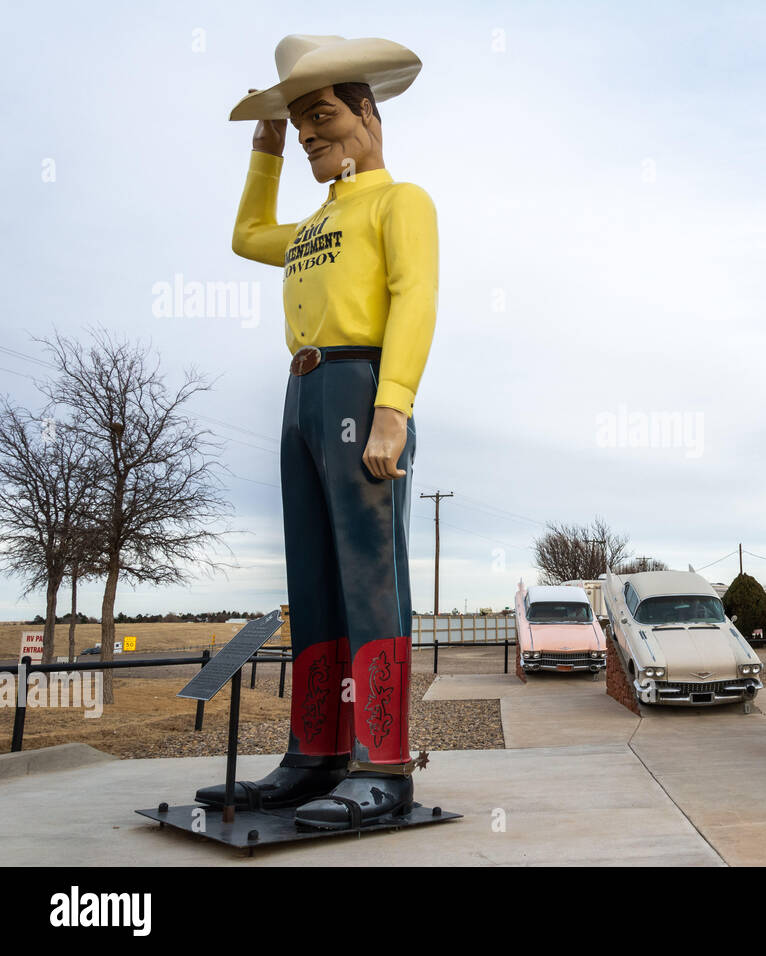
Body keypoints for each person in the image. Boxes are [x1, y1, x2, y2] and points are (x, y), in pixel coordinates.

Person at [195, 35, 438, 829]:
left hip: (359, 382)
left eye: (320, 115)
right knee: (312, 575)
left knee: (370, 575)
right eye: (297, 123)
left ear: (367, 112)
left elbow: (415, 297)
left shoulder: (401, 203)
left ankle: (384, 764)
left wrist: (393, 405)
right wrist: (262, 153)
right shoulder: (311, 226)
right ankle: (315, 753)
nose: (307, 134)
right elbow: (246, 236)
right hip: (301, 393)